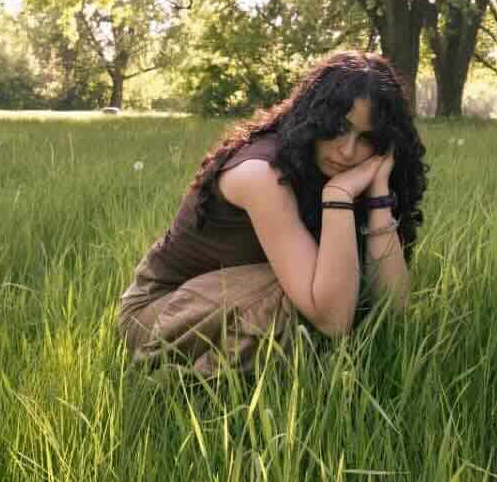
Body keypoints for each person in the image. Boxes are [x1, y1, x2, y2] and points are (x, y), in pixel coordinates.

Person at [119, 50, 427, 376]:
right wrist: (338, 197)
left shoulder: (353, 171)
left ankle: (296, 375)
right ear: (314, 119)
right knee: (300, 299)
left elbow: (394, 310)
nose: (348, 151)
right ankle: (179, 389)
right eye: (338, 128)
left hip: (233, 303)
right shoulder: (261, 174)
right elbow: (335, 319)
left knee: (347, 287)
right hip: (157, 315)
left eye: (367, 138)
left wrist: (379, 192)